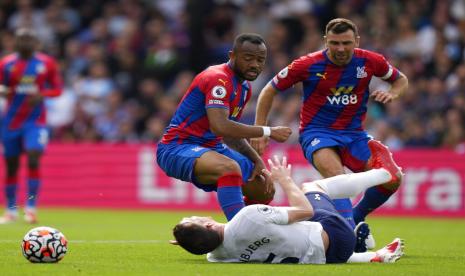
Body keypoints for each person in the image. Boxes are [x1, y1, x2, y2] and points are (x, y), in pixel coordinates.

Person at [251, 18, 408, 251]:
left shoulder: (371, 61)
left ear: (356, 41)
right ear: (325, 41)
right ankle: (348, 237)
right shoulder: (307, 64)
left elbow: (400, 80)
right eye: (334, 43)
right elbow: (268, 91)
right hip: (317, 133)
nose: (341, 49)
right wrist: (261, 130)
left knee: (392, 178)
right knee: (336, 175)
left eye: (346, 43)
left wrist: (393, 94)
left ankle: (355, 218)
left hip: (354, 135)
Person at [170, 141, 404, 264]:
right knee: (311, 188)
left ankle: (372, 253)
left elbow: (205, 245)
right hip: (336, 235)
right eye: (194, 219)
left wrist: (188, 239)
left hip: (328, 258)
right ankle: (384, 174)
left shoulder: (217, 256)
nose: (194, 216)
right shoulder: (247, 217)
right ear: (209, 226)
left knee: (291, 235)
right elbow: (305, 210)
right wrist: (285, 180)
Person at [156, 33, 292, 221]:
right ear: (232, 55)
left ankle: (257, 231)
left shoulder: (244, 87)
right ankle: (240, 233)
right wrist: (268, 131)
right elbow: (221, 127)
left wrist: (256, 160)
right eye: (248, 58)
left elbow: (230, 134)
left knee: (263, 189)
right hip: (178, 147)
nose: (255, 64)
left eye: (260, 60)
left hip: (212, 147)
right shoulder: (217, 78)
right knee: (229, 168)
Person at [0, 28, 63, 224]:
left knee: (34, 158)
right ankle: (11, 210)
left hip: (36, 122)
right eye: (21, 39)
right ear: (15, 42)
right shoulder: (6, 63)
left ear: (36, 42)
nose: (25, 42)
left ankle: (31, 207)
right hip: (11, 122)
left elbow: (57, 89)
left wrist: (42, 95)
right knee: (11, 167)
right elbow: (2, 86)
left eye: (29, 38)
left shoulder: (46, 63)